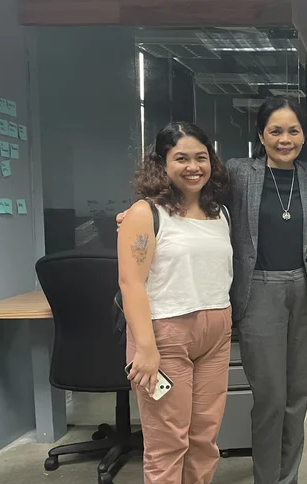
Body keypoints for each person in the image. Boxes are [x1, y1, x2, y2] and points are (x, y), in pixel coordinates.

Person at [118, 122, 233, 484]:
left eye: (201, 157)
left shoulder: (220, 214)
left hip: (215, 335)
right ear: (161, 163)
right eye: (181, 158)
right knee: (168, 443)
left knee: (204, 440)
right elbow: (130, 283)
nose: (193, 166)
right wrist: (146, 348)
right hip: (164, 336)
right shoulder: (144, 213)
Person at [226, 97, 307, 484]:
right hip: (259, 292)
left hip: (306, 290)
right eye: (276, 131)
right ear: (261, 135)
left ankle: (290, 478)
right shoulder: (239, 174)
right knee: (270, 399)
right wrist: (143, 214)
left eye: (293, 130)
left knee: (297, 398)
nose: (286, 139)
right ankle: (267, 478)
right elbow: (193, 197)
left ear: (304, 134)